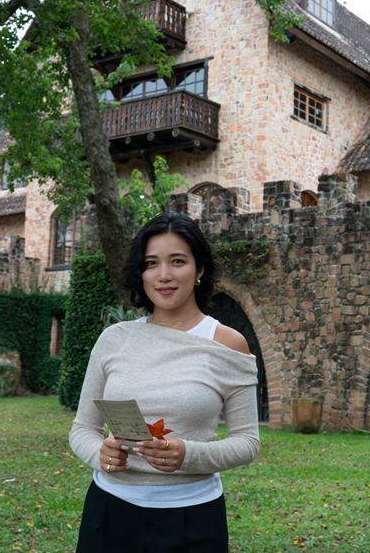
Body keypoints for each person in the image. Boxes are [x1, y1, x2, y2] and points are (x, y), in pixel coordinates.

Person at [69, 213, 259, 553]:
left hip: (193, 518)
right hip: (109, 513)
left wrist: (188, 454)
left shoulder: (228, 344)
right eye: (151, 263)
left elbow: (247, 443)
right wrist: (100, 454)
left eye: (178, 261)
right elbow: (82, 429)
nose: (164, 275)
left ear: (200, 270)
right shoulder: (115, 339)